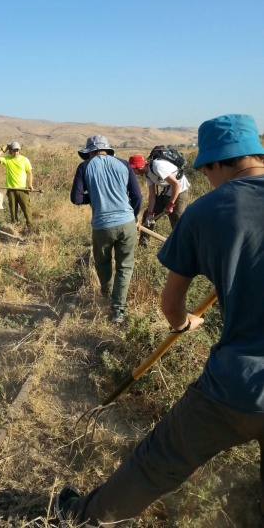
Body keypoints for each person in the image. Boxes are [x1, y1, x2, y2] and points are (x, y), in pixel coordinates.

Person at [56, 114, 264, 527]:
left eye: (206, 171)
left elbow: (171, 304)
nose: (206, 179)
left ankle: (85, 516)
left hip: (237, 386)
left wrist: (184, 323)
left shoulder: (207, 211)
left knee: (159, 461)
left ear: (217, 163)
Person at [70, 135, 142, 324]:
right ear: (107, 149)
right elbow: (137, 197)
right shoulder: (124, 164)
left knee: (103, 263)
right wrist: (134, 217)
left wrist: (94, 197)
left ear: (90, 152)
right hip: (127, 223)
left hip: (102, 226)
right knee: (124, 267)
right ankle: (118, 311)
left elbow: (76, 199)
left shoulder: (84, 167)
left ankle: (108, 294)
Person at [128, 151, 190, 242]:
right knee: (147, 217)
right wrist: (150, 212)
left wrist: (170, 204)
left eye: (133, 170)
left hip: (180, 191)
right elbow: (152, 195)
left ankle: (184, 247)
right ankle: (143, 244)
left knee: (178, 220)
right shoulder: (147, 174)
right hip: (167, 191)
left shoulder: (157, 167)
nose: (134, 173)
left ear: (139, 167)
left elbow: (176, 185)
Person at [0, 141, 33, 229]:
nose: (16, 152)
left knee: (26, 208)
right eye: (14, 150)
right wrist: (3, 149)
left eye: (17, 150)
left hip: (22, 189)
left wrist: (30, 184)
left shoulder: (24, 160)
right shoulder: (7, 159)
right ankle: (15, 227)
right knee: (13, 210)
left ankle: (30, 226)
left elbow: (29, 172)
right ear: (10, 151)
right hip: (11, 189)